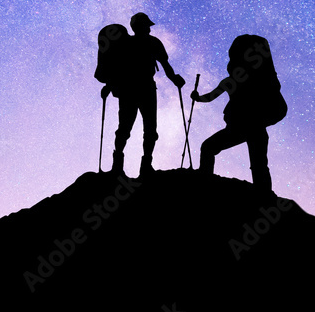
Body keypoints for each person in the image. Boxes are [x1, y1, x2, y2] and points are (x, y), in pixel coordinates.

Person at [190, 34, 287, 195]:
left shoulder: (245, 81)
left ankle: (204, 184)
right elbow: (209, 97)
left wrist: (198, 98)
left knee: (210, 148)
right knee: (259, 163)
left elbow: (209, 97)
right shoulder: (248, 80)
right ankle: (264, 197)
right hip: (252, 127)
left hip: (245, 127)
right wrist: (198, 98)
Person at [99, 13, 185, 176]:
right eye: (146, 25)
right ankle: (134, 167)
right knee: (132, 129)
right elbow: (120, 69)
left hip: (134, 90)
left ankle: (131, 167)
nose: (149, 29)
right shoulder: (147, 43)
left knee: (139, 129)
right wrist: (175, 79)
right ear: (139, 26)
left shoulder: (132, 43)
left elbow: (119, 69)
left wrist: (174, 78)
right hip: (139, 90)